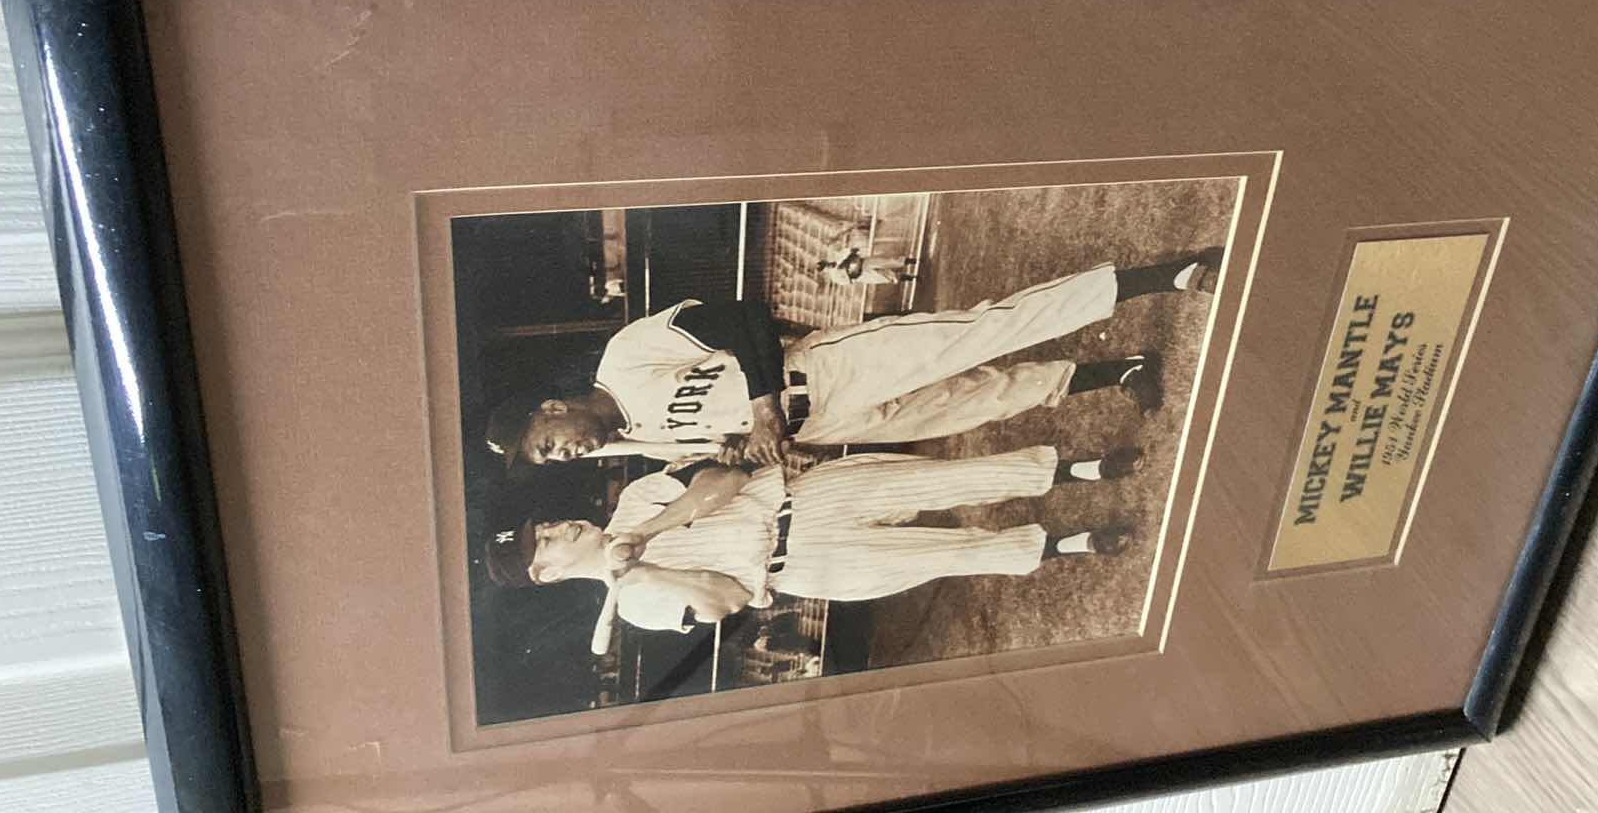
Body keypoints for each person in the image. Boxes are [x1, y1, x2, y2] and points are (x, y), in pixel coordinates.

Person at [483, 250, 1223, 471]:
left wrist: (764, 407)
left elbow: (742, 314)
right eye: (549, 462)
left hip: (824, 372)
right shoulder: (636, 442)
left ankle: (1168, 275)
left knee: (983, 333)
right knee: (980, 399)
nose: (563, 453)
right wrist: (755, 448)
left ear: (554, 408)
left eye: (548, 443)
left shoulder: (626, 356)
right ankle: (1121, 369)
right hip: (830, 421)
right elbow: (725, 444)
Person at [485, 444, 1142, 640]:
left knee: (949, 479)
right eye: (542, 544)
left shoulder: (634, 503)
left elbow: (725, 480)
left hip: (807, 498)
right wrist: (646, 574)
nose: (554, 529)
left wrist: (647, 532)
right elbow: (730, 599)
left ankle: (1082, 470)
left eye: (541, 525)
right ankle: (1077, 540)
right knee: (951, 554)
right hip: (806, 564)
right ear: (546, 574)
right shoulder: (634, 607)